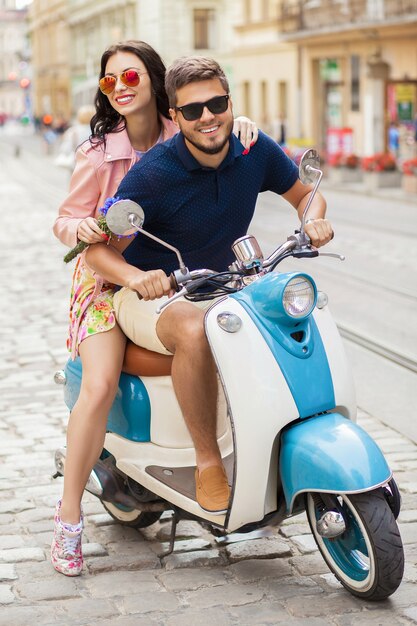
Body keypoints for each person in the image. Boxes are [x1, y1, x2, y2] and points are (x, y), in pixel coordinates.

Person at [85, 56, 333, 524]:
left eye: (216, 103)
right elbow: (98, 251)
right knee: (198, 330)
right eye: (192, 110)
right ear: (174, 117)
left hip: (225, 284)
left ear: (229, 102)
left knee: (288, 313)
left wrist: (314, 219)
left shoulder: (252, 150)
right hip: (153, 296)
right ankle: (208, 462)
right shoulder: (154, 175)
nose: (207, 117)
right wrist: (138, 278)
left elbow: (306, 194)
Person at [52, 41, 257, 578]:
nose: (119, 87)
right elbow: (66, 222)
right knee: (98, 385)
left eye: (130, 76)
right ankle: (68, 516)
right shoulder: (99, 154)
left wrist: (245, 125)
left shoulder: (182, 127)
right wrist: (88, 227)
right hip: (106, 279)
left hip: (176, 277)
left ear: (155, 83)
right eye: (108, 81)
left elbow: (215, 126)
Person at [55, 105, 95, 171]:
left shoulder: (73, 131)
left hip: (77, 164)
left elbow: (65, 149)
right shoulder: (98, 131)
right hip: (94, 166)